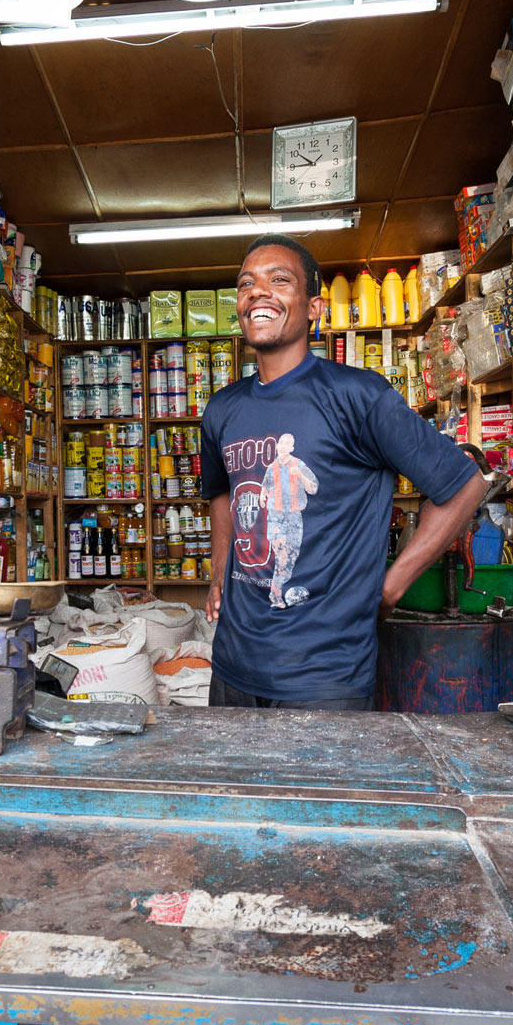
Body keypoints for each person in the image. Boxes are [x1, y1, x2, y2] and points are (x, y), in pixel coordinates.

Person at [200, 234, 488, 709]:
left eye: (279, 280)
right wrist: (218, 573)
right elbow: (222, 494)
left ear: (314, 308)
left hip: (325, 676)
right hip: (234, 666)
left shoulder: (358, 395)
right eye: (246, 284)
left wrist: (390, 588)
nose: (258, 292)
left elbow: (463, 485)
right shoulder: (223, 409)